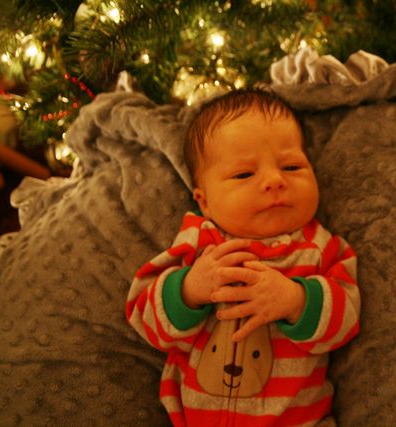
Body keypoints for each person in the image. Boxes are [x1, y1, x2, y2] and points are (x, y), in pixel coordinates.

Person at [126, 88, 360, 427]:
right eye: (244, 174)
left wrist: (295, 300)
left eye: (292, 166)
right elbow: (145, 320)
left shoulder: (321, 248)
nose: (275, 180)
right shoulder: (198, 242)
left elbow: (347, 320)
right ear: (205, 201)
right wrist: (189, 290)